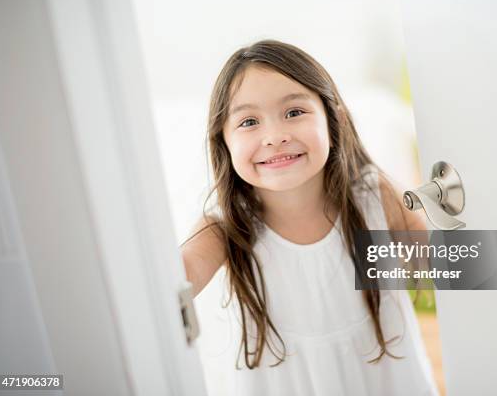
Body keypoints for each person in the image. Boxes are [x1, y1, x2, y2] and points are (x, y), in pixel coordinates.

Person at [181, 39, 438, 395]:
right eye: (250, 121)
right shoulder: (226, 228)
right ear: (223, 142)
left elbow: (439, 262)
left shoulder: (371, 198)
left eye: (294, 112)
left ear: (335, 120)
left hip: (383, 379)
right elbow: (175, 282)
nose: (275, 136)